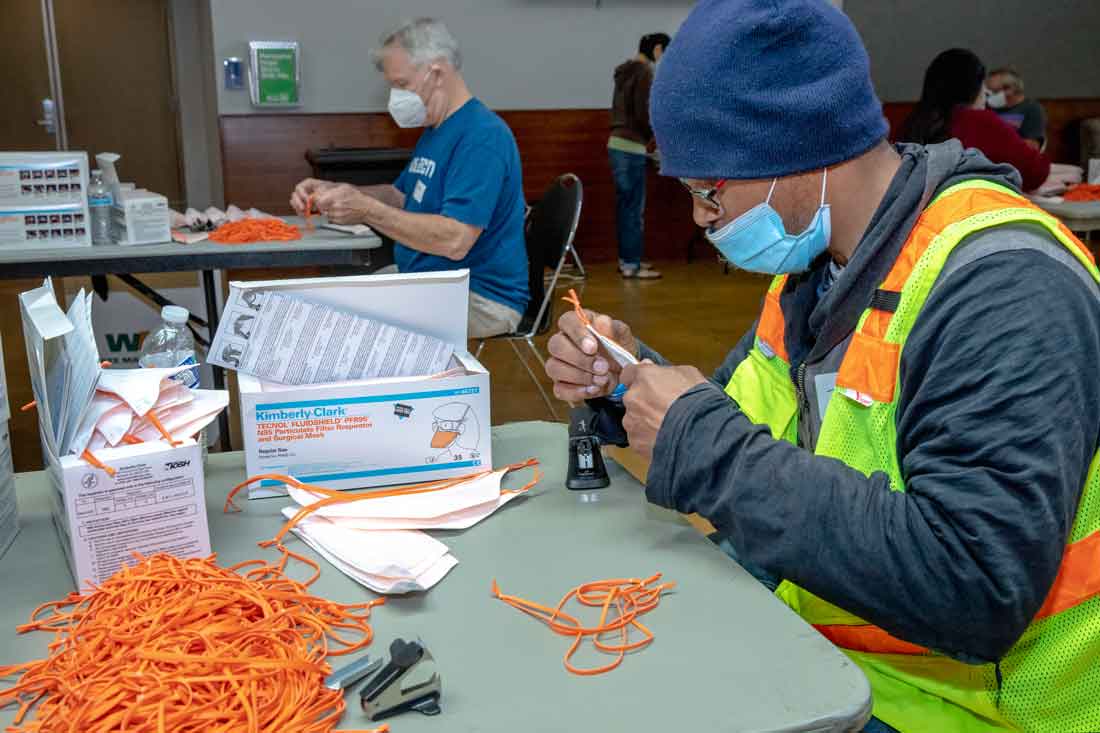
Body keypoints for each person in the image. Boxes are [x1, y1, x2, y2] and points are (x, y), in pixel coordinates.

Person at [544, 1, 1100, 731]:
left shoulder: (1005, 288)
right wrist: (626, 380)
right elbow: (739, 423)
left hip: (965, 709)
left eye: (709, 191)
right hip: (831, 647)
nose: (705, 220)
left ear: (797, 153)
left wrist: (698, 440)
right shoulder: (818, 264)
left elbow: (976, 585)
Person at [290, 18, 529, 339]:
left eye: (402, 85)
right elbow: (400, 197)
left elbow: (455, 240)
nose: (395, 96)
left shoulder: (482, 137)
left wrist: (366, 210)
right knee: (327, 304)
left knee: (343, 328)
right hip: (429, 280)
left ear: (437, 73)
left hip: (480, 297)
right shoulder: (436, 131)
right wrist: (339, 192)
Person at [901, 48, 1050, 192]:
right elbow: (1035, 172)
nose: (988, 93)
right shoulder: (980, 122)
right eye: (985, 86)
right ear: (975, 88)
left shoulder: (913, 121)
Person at [608, 32, 669, 280]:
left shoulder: (624, 72)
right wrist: (654, 142)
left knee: (625, 208)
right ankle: (632, 265)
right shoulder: (644, 72)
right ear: (656, 49)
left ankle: (626, 260)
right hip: (632, 147)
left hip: (616, 144)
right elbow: (645, 112)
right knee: (634, 210)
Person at [986, 67, 1047, 149]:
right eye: (988, 91)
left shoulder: (1032, 109)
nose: (989, 96)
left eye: (994, 92)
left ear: (1011, 89)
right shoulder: (988, 108)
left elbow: (1033, 146)